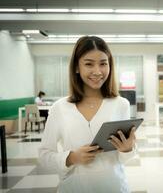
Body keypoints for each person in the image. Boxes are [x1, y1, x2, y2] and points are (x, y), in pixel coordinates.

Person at [39, 36, 136, 193]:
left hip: (114, 187)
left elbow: (124, 158)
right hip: (74, 188)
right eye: (89, 64)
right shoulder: (60, 108)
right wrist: (71, 158)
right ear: (77, 67)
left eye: (103, 64)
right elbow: (44, 155)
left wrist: (127, 149)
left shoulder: (121, 104)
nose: (97, 71)